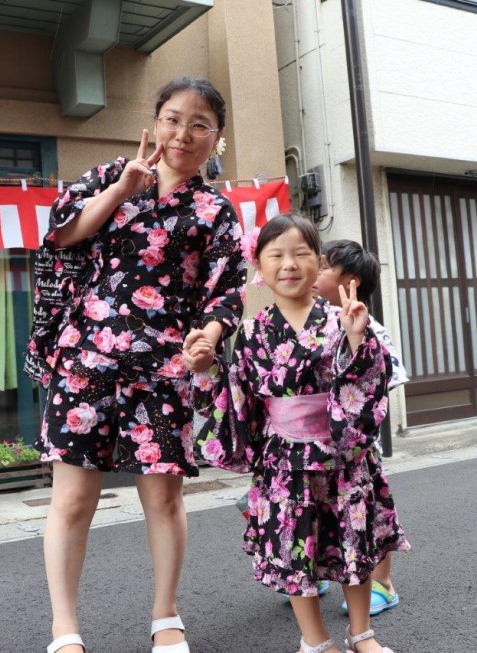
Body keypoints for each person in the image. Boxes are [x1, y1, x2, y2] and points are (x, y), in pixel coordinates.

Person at [26, 76, 246, 653]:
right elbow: (61, 237)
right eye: (174, 118)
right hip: (85, 359)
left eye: (200, 124)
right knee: (72, 498)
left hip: (164, 366)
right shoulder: (108, 175)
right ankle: (64, 627)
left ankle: (165, 614)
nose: (183, 133)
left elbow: (228, 291)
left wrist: (209, 336)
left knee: (164, 497)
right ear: (155, 120)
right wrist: (121, 191)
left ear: (216, 137)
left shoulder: (215, 209)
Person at [192, 214, 409, 653]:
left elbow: (373, 379)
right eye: (276, 255)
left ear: (318, 264)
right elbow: (236, 396)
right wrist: (206, 367)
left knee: (353, 544)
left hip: (342, 456)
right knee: (296, 552)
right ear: (259, 266)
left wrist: (355, 339)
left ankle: (362, 634)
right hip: (283, 461)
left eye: (301, 254)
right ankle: (315, 641)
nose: (288, 264)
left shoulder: (343, 318)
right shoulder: (251, 332)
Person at [315, 239, 410, 618]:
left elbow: (384, 380)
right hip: (314, 441)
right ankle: (319, 570)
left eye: (322, 267)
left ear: (349, 281)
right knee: (316, 509)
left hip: (356, 441)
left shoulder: (366, 326)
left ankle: (383, 583)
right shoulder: (308, 320)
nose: (312, 273)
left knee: (370, 511)